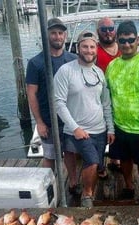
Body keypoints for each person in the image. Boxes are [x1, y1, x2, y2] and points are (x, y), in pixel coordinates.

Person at [54, 30, 115, 208]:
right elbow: (59, 103)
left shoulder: (99, 73)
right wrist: (75, 128)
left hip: (100, 128)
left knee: (97, 162)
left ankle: (86, 186)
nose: (89, 50)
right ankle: (87, 195)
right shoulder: (65, 71)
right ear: (77, 48)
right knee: (92, 161)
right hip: (79, 130)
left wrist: (110, 128)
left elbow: (105, 102)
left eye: (92, 47)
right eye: (85, 46)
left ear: (96, 49)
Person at [106, 20, 139, 200]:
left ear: (137, 40)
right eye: (122, 41)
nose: (127, 44)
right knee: (125, 160)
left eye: (130, 40)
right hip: (119, 125)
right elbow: (108, 95)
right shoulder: (112, 66)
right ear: (117, 42)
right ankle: (129, 187)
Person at [26, 18, 78, 193]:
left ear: (65, 35)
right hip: (48, 120)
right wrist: (39, 122)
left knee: (70, 153)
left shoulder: (73, 59)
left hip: (70, 120)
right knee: (49, 156)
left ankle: (73, 183)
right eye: (54, 33)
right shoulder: (35, 63)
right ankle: (46, 187)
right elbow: (31, 93)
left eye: (60, 33)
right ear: (47, 35)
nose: (57, 36)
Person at [95, 16, 122, 176]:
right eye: (103, 29)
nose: (107, 32)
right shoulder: (94, 50)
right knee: (100, 134)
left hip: (120, 100)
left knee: (117, 131)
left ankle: (114, 160)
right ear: (98, 32)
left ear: (115, 30)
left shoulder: (123, 48)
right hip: (99, 100)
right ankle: (99, 165)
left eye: (110, 28)